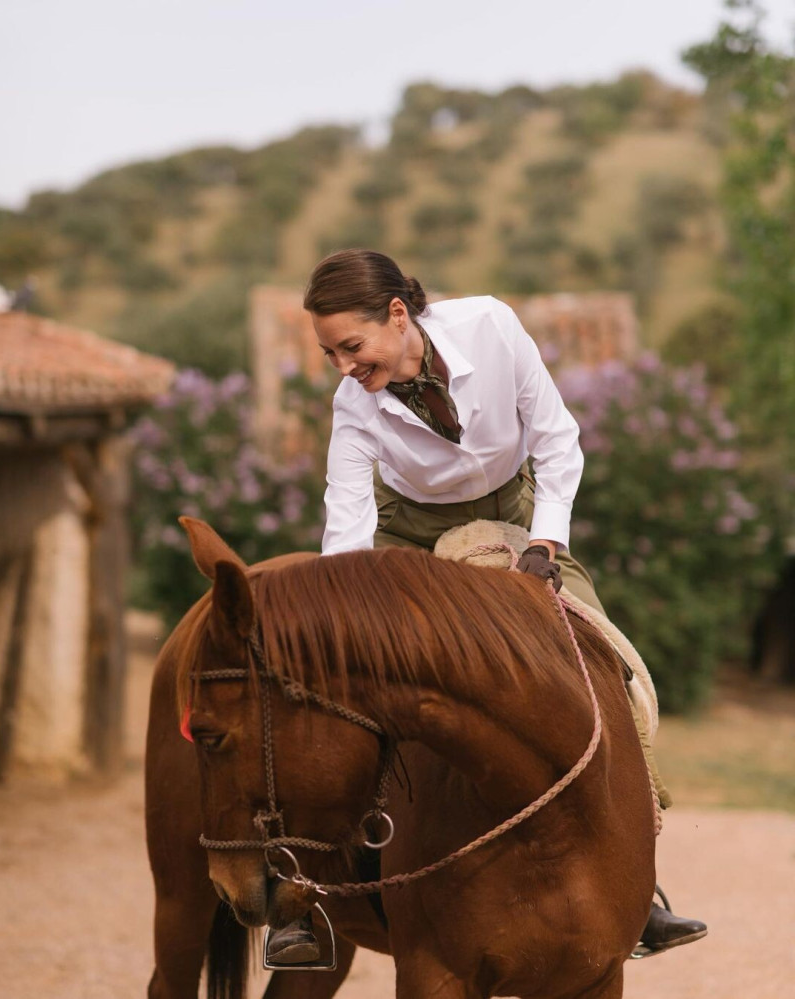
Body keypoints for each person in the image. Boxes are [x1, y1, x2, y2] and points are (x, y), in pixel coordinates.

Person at [264, 248, 707, 966]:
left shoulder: (493, 328)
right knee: (359, 693)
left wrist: (545, 542)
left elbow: (559, 441)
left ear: (399, 315)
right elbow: (345, 524)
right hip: (408, 532)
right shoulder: (354, 405)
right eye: (328, 353)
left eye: (352, 346)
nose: (343, 365)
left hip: (521, 513)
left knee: (606, 663)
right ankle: (310, 890)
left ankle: (641, 879)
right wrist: (345, 618)